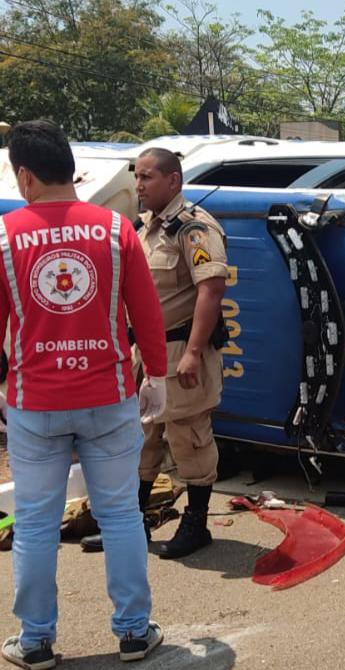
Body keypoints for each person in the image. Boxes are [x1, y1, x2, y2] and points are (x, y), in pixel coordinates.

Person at [0, 120, 167, 669]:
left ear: (24, 175)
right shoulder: (118, 231)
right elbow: (146, 314)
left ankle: (36, 642)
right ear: (71, 168)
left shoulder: (5, 238)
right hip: (109, 394)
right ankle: (134, 633)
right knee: (120, 514)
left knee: (36, 522)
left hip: (35, 403)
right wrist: (157, 379)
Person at [80, 148, 228, 560]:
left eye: (147, 177)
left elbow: (211, 290)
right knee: (138, 437)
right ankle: (132, 525)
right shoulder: (141, 229)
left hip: (181, 349)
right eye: (137, 176)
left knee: (188, 438)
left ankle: (196, 524)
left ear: (173, 181)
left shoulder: (194, 229)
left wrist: (195, 352)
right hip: (142, 350)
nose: (139, 186)